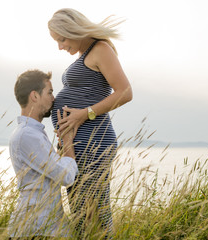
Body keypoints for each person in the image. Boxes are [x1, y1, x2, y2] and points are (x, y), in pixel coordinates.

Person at [48, 8, 133, 238]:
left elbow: (125, 92)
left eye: (62, 39)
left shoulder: (100, 49)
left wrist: (83, 114)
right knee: (81, 214)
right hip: (77, 145)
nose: (60, 46)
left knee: (95, 213)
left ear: (73, 29)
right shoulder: (85, 54)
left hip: (94, 143)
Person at [8, 69, 79, 239]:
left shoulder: (32, 133)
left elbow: (48, 174)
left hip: (40, 227)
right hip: (37, 229)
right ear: (34, 96)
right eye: (50, 92)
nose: (53, 98)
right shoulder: (28, 135)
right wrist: (69, 142)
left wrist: (60, 151)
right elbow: (66, 177)